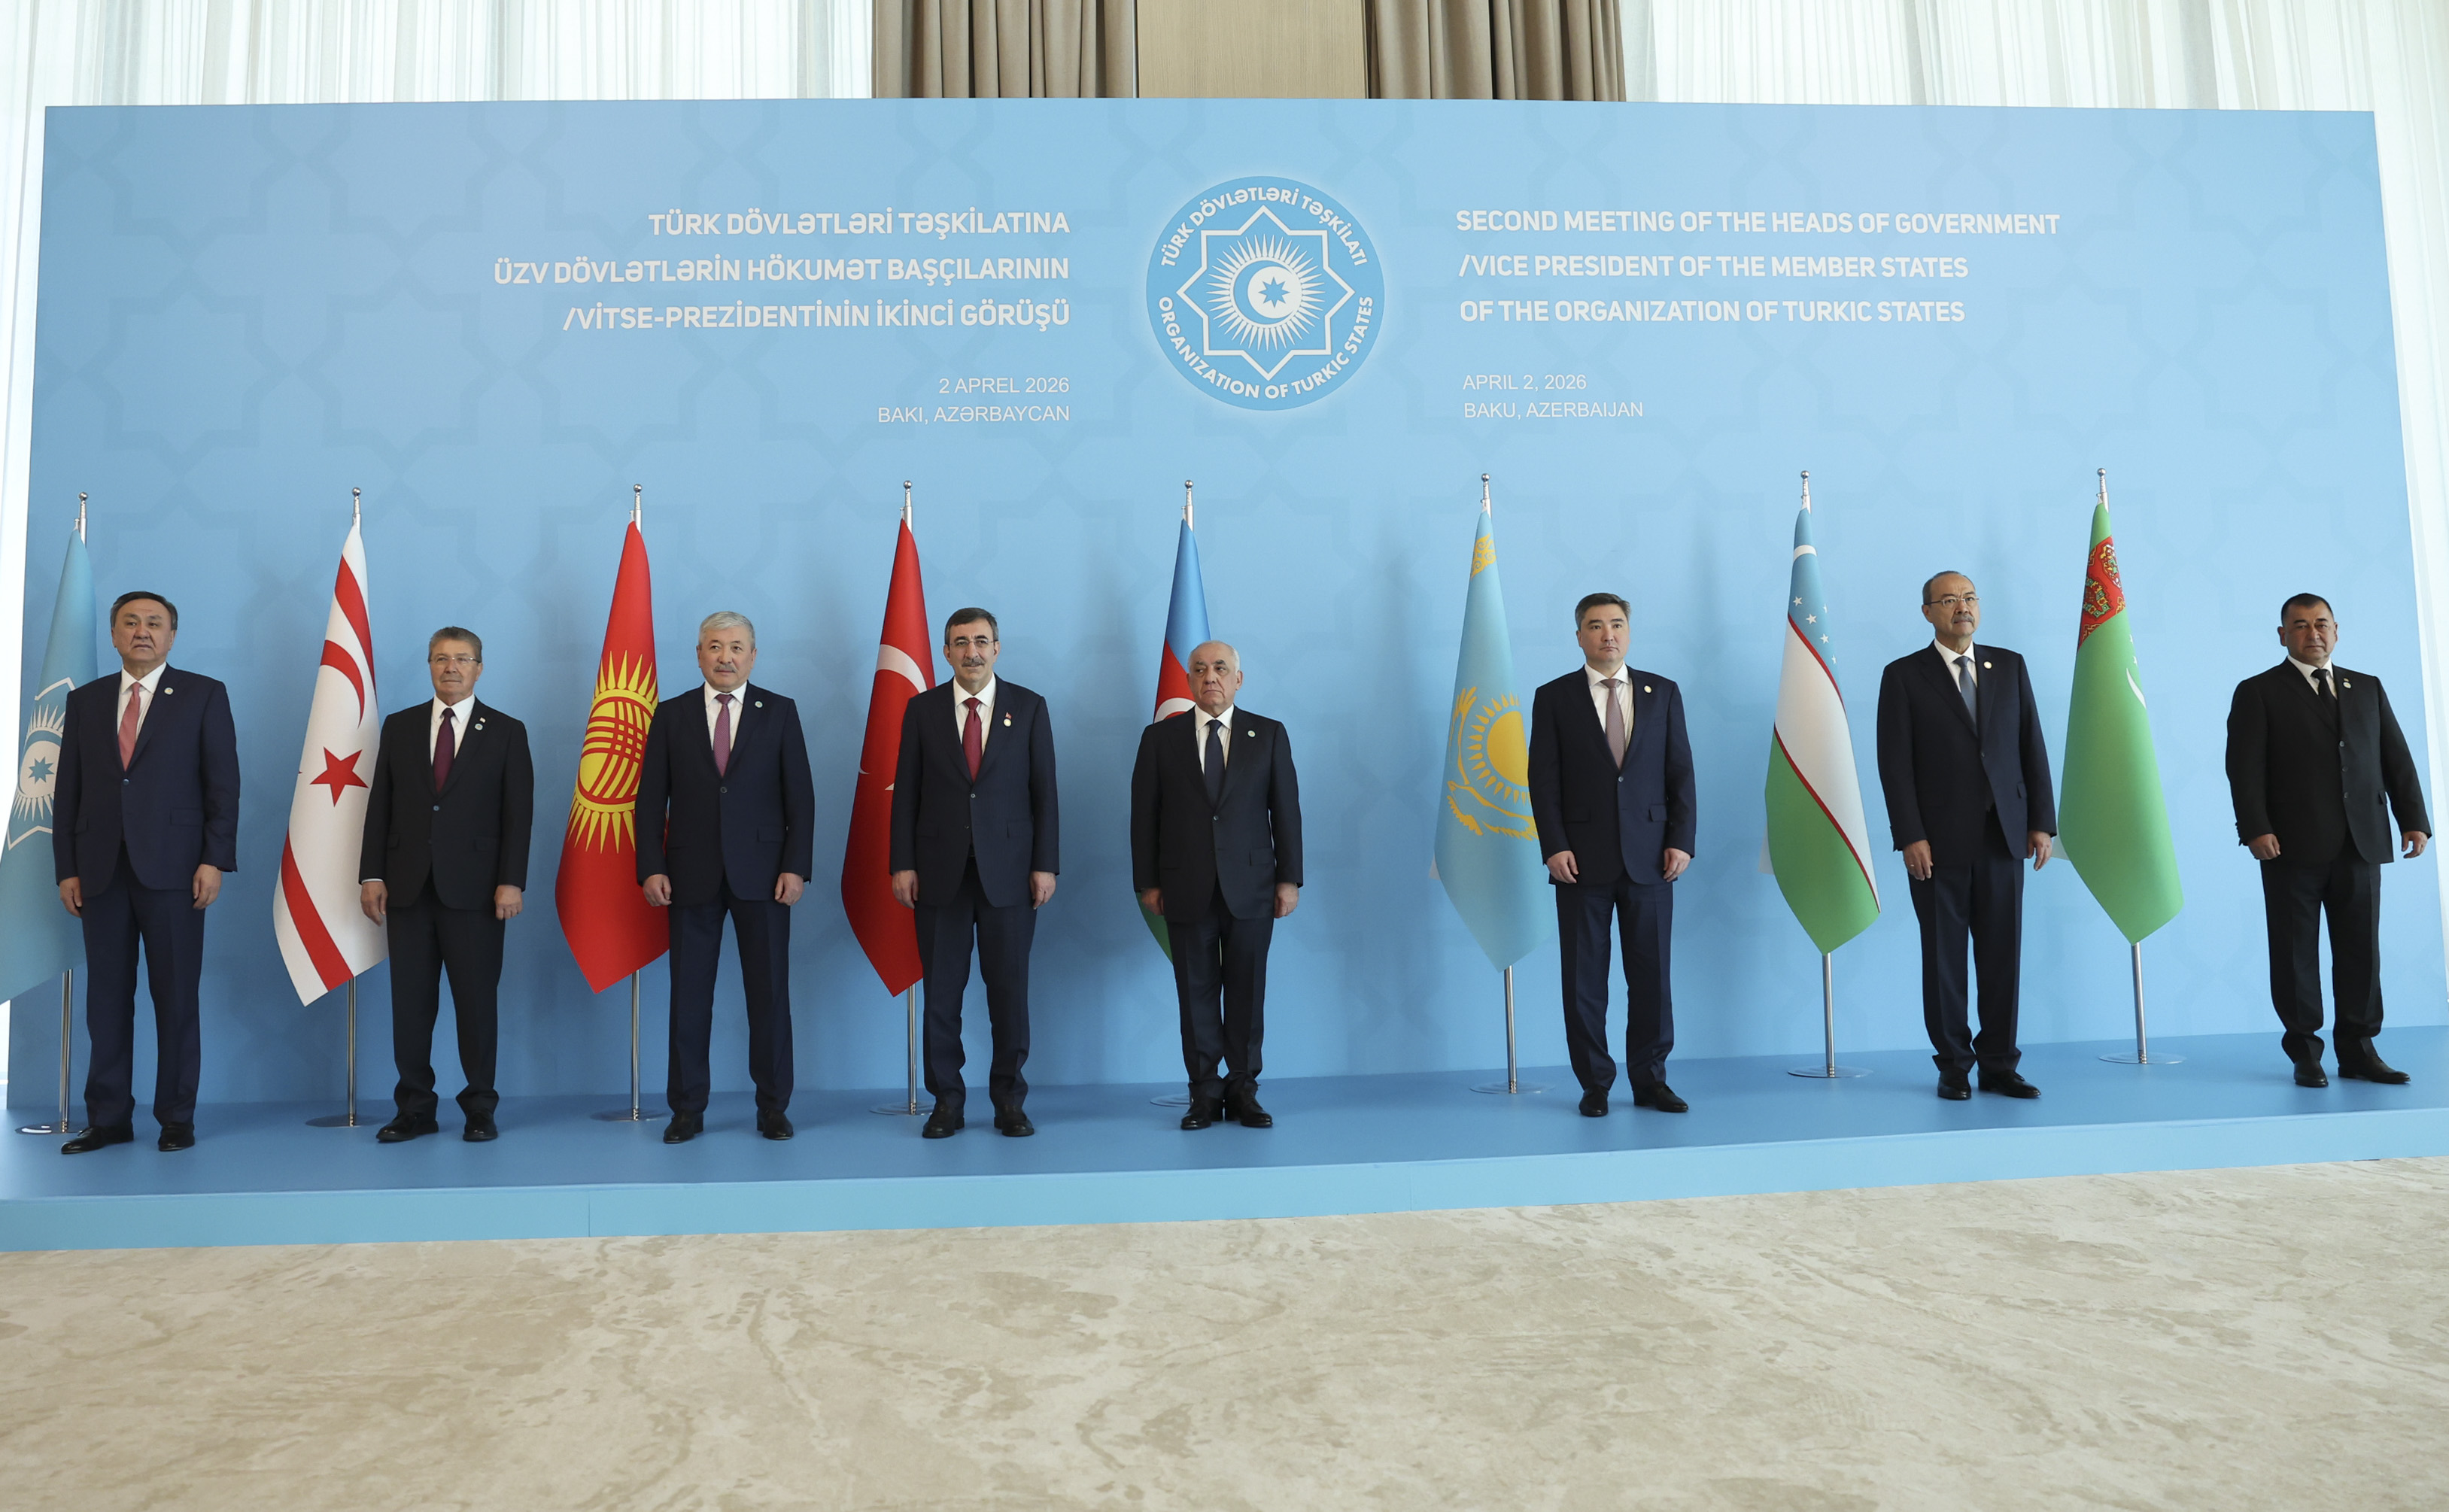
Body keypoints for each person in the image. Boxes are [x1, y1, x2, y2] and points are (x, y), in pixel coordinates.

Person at [53, 591, 239, 1154]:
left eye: (154, 623)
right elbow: (67, 792)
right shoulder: (85, 701)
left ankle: (176, 1117)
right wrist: (67, 868)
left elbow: (223, 785)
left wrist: (214, 859)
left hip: (178, 871)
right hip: (100, 871)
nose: (142, 631)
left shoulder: (204, 695)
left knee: (176, 998)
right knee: (106, 1000)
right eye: (130, 622)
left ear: (171, 636)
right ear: (113, 635)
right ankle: (108, 1118)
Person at [2225, 594, 2430, 1086]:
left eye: (2320, 623)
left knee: (2361, 952)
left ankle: (2359, 1051)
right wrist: (2255, 828)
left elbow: (2394, 757)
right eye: (2299, 625)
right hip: (2289, 846)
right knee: (2295, 953)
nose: (2312, 633)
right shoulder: (2258, 691)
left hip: (2361, 842)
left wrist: (2413, 820)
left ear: (2336, 631)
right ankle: (2305, 1052)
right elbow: (2243, 768)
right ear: (2282, 636)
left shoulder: (2367, 687)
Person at [635, 612, 815, 1143]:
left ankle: (773, 1107)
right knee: (690, 998)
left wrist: (795, 866)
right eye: (715, 647)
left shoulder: (779, 712)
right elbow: (649, 801)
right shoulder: (671, 714)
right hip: (689, 875)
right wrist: (651, 866)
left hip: (765, 876)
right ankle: (687, 1108)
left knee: (769, 996)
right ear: (699, 655)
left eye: (736, 647)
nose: (725, 657)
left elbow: (801, 799)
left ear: (753, 656)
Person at [1875, 571, 2054, 1101]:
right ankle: (1953, 1065)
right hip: (1936, 844)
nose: (1962, 607)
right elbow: (1894, 765)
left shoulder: (2009, 666)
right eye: (1950, 600)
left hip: (2004, 837)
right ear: (1927, 612)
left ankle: (1999, 1065)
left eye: (1970, 597)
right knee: (1944, 960)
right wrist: (1909, 834)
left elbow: (2032, 746)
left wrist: (2041, 822)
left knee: (2002, 957)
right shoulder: (1903, 676)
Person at [357, 628, 534, 1143]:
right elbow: (380, 805)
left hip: (477, 892)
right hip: (407, 889)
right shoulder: (401, 725)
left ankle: (480, 1107)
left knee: (476, 1005)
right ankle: (415, 1108)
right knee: (411, 1007)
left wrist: (511, 881)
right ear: (430, 666)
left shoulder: (506, 731)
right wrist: (372, 873)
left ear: (479, 668)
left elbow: (518, 815)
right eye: (440, 658)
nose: (450, 667)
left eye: (462, 659)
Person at [889, 608, 1059, 1139]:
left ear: (997, 648)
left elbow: (1045, 794)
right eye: (961, 642)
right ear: (946, 652)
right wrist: (902, 863)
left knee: (1008, 993)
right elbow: (906, 793)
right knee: (942, 995)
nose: (972, 651)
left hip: (1011, 874)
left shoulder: (1028, 707)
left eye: (981, 641)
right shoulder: (922, 710)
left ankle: (1009, 1101)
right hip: (939, 874)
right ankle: (947, 1102)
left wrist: (1045, 865)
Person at [1526, 593, 1696, 1117]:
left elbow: (1680, 772)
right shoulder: (1553, 697)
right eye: (1596, 625)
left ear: (1628, 632)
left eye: (1617, 624)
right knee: (1584, 980)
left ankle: (1651, 1081)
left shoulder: (1662, 692)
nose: (1608, 634)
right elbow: (1543, 779)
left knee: (1652, 979)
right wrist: (1554, 845)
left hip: (1652, 858)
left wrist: (1681, 839)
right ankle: (1595, 1084)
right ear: (1579, 636)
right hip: (1579, 861)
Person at [1130, 641, 1304, 1130]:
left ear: (1238, 680)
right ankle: (1204, 1093)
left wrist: (1288, 879)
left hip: (1253, 887)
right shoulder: (1159, 739)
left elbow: (1286, 812)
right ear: (1188, 680)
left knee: (1247, 993)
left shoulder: (1267, 734)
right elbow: (1144, 817)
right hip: (1184, 887)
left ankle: (1243, 1090)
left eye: (1221, 669)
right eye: (1201, 669)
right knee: (1196, 994)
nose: (1211, 677)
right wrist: (1148, 883)